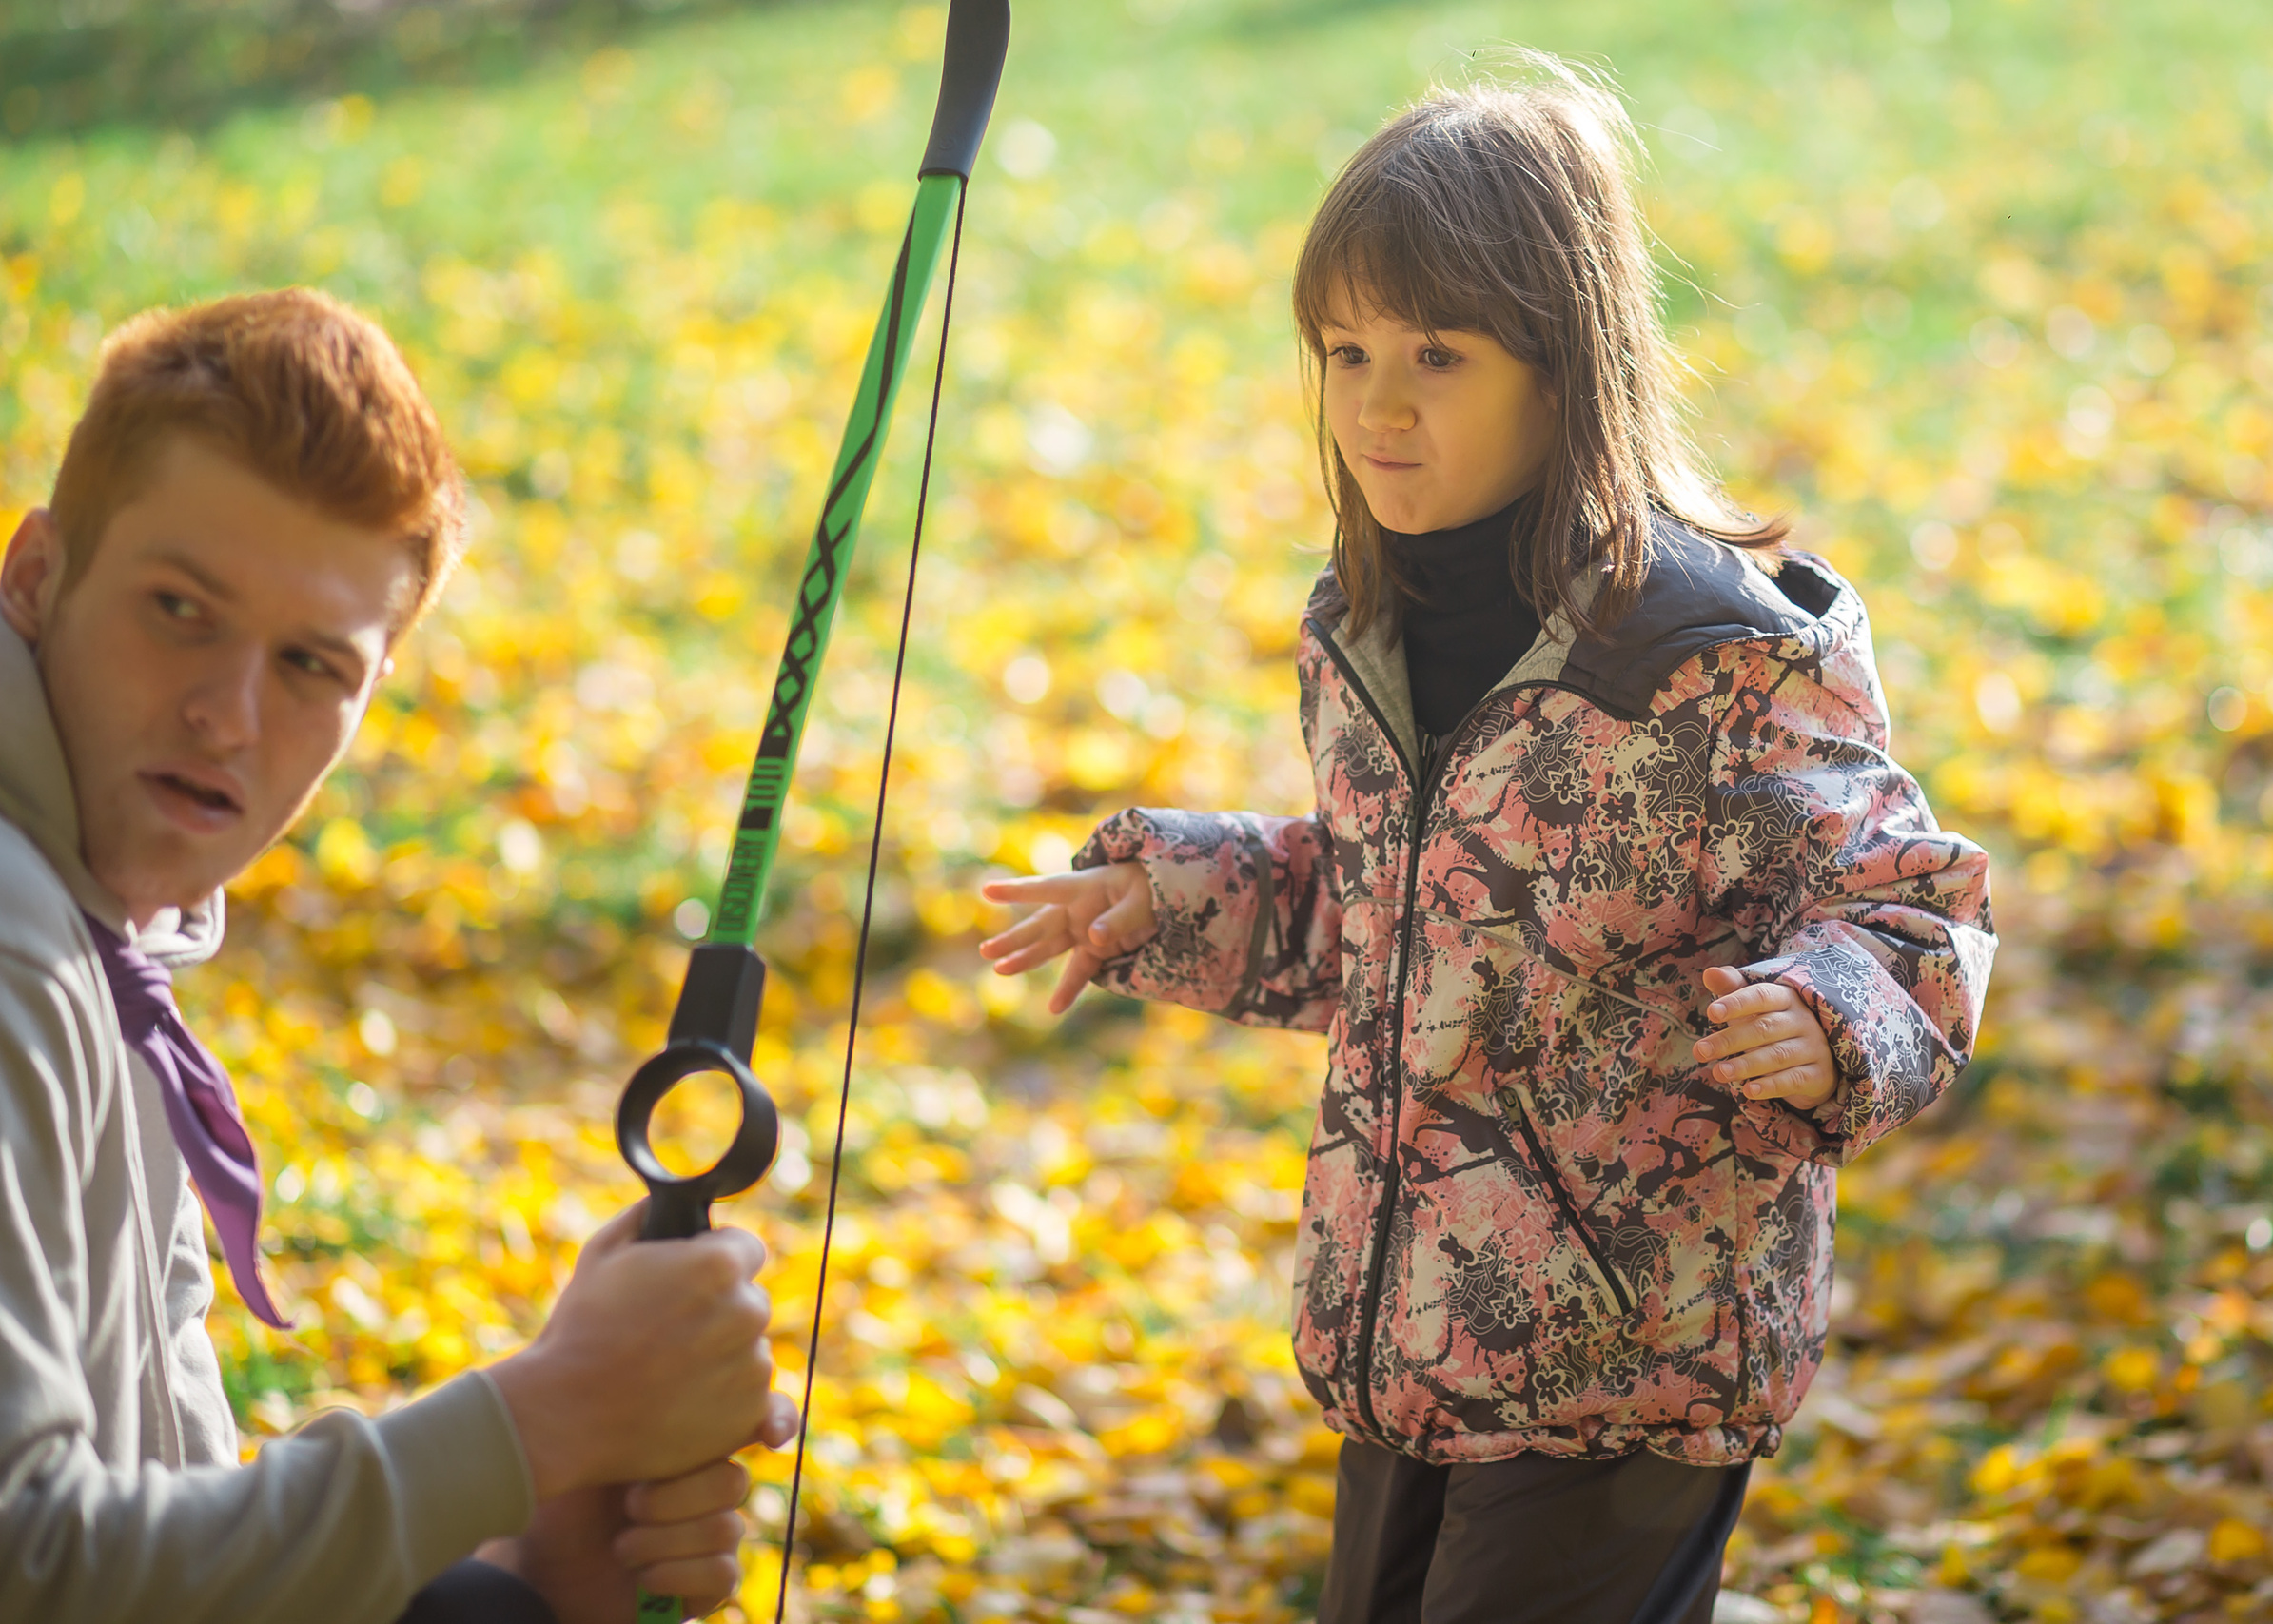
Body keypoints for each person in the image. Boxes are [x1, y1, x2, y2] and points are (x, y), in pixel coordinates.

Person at [978, 58, 1995, 1624]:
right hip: (1413, 1323)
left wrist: (1827, 1012)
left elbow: (1912, 915)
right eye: (1345, 352)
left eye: (1437, 357)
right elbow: (1400, 915)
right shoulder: (1370, 622)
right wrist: (1168, 897)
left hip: (1628, 1345)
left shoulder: (1713, 658)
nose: (1378, 405)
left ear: (1565, 364)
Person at [0, 288, 797, 1623]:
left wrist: (538, 1555)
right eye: (180, 609)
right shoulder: (17, 948)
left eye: (311, 664)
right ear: (33, 575)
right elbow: (31, 1564)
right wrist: (537, 1422)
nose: (228, 715)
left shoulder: (111, 922)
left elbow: (158, 1491)